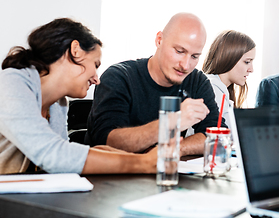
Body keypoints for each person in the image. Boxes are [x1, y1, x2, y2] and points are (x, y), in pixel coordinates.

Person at [0, 18, 156, 174]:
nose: (97, 79)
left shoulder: (58, 104)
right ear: (75, 50)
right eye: (95, 65)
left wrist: (107, 153)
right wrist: (143, 163)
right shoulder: (11, 82)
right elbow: (53, 155)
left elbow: (63, 159)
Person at [85, 13, 225, 155]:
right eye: (179, 51)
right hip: (111, 175)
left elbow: (217, 136)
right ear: (159, 40)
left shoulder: (197, 81)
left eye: (195, 56)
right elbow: (106, 142)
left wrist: (171, 150)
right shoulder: (119, 77)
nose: (186, 65)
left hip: (166, 173)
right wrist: (170, 123)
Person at [201, 30, 256, 129]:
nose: (251, 69)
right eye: (247, 62)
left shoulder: (221, 89)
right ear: (229, 58)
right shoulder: (213, 90)